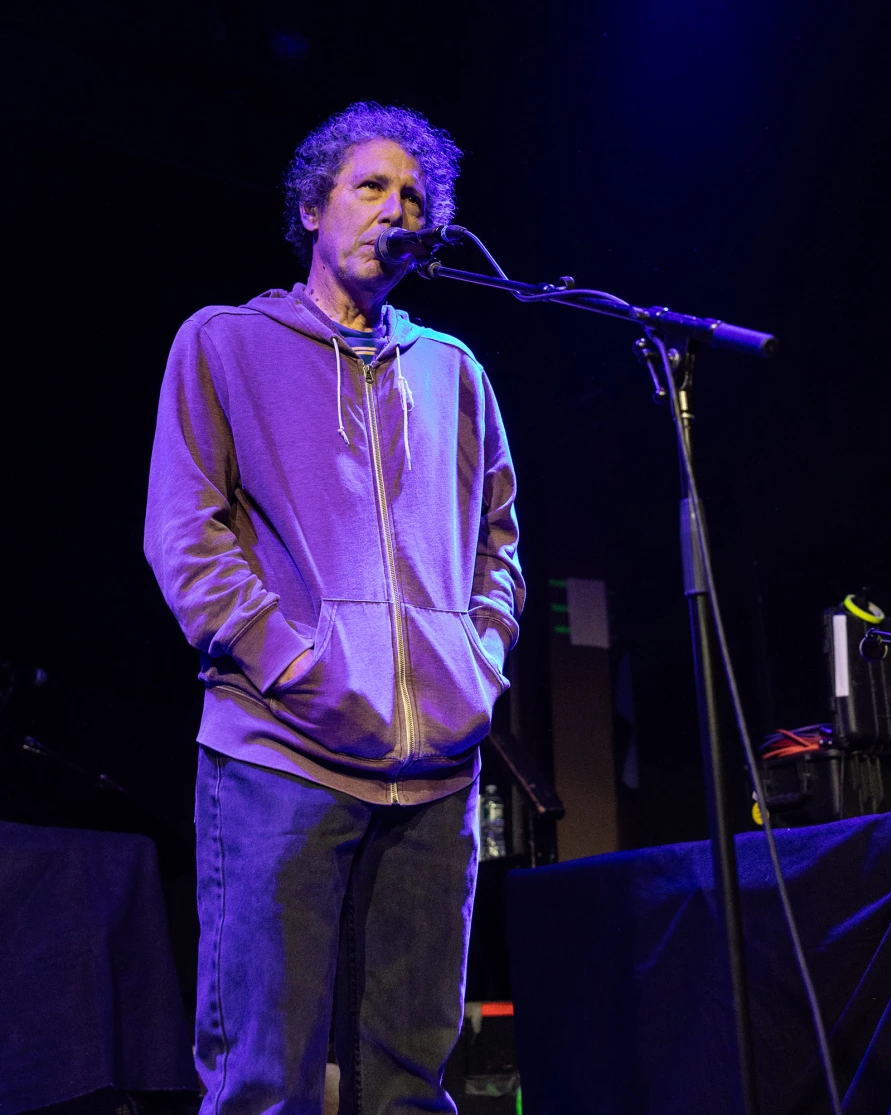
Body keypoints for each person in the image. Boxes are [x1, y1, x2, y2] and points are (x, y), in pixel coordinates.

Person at [145, 101, 524, 1115]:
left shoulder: (456, 370)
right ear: (312, 206)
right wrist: (295, 666)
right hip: (280, 751)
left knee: (409, 1081)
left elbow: (500, 542)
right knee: (263, 1078)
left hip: (438, 770)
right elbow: (186, 536)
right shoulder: (224, 343)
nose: (394, 209)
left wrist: (475, 664)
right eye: (370, 186)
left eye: (413, 197)